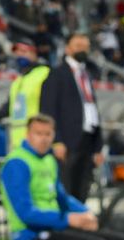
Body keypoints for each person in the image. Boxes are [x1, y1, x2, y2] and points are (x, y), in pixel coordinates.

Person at [40, 33, 105, 201]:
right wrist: (56, 140)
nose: (82, 50)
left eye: (85, 47)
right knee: (66, 191)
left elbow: (93, 110)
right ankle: (66, 227)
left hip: (88, 141)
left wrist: (98, 147)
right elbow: (48, 109)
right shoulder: (56, 74)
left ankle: (78, 227)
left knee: (82, 192)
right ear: (68, 48)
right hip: (67, 142)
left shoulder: (87, 75)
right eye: (78, 46)